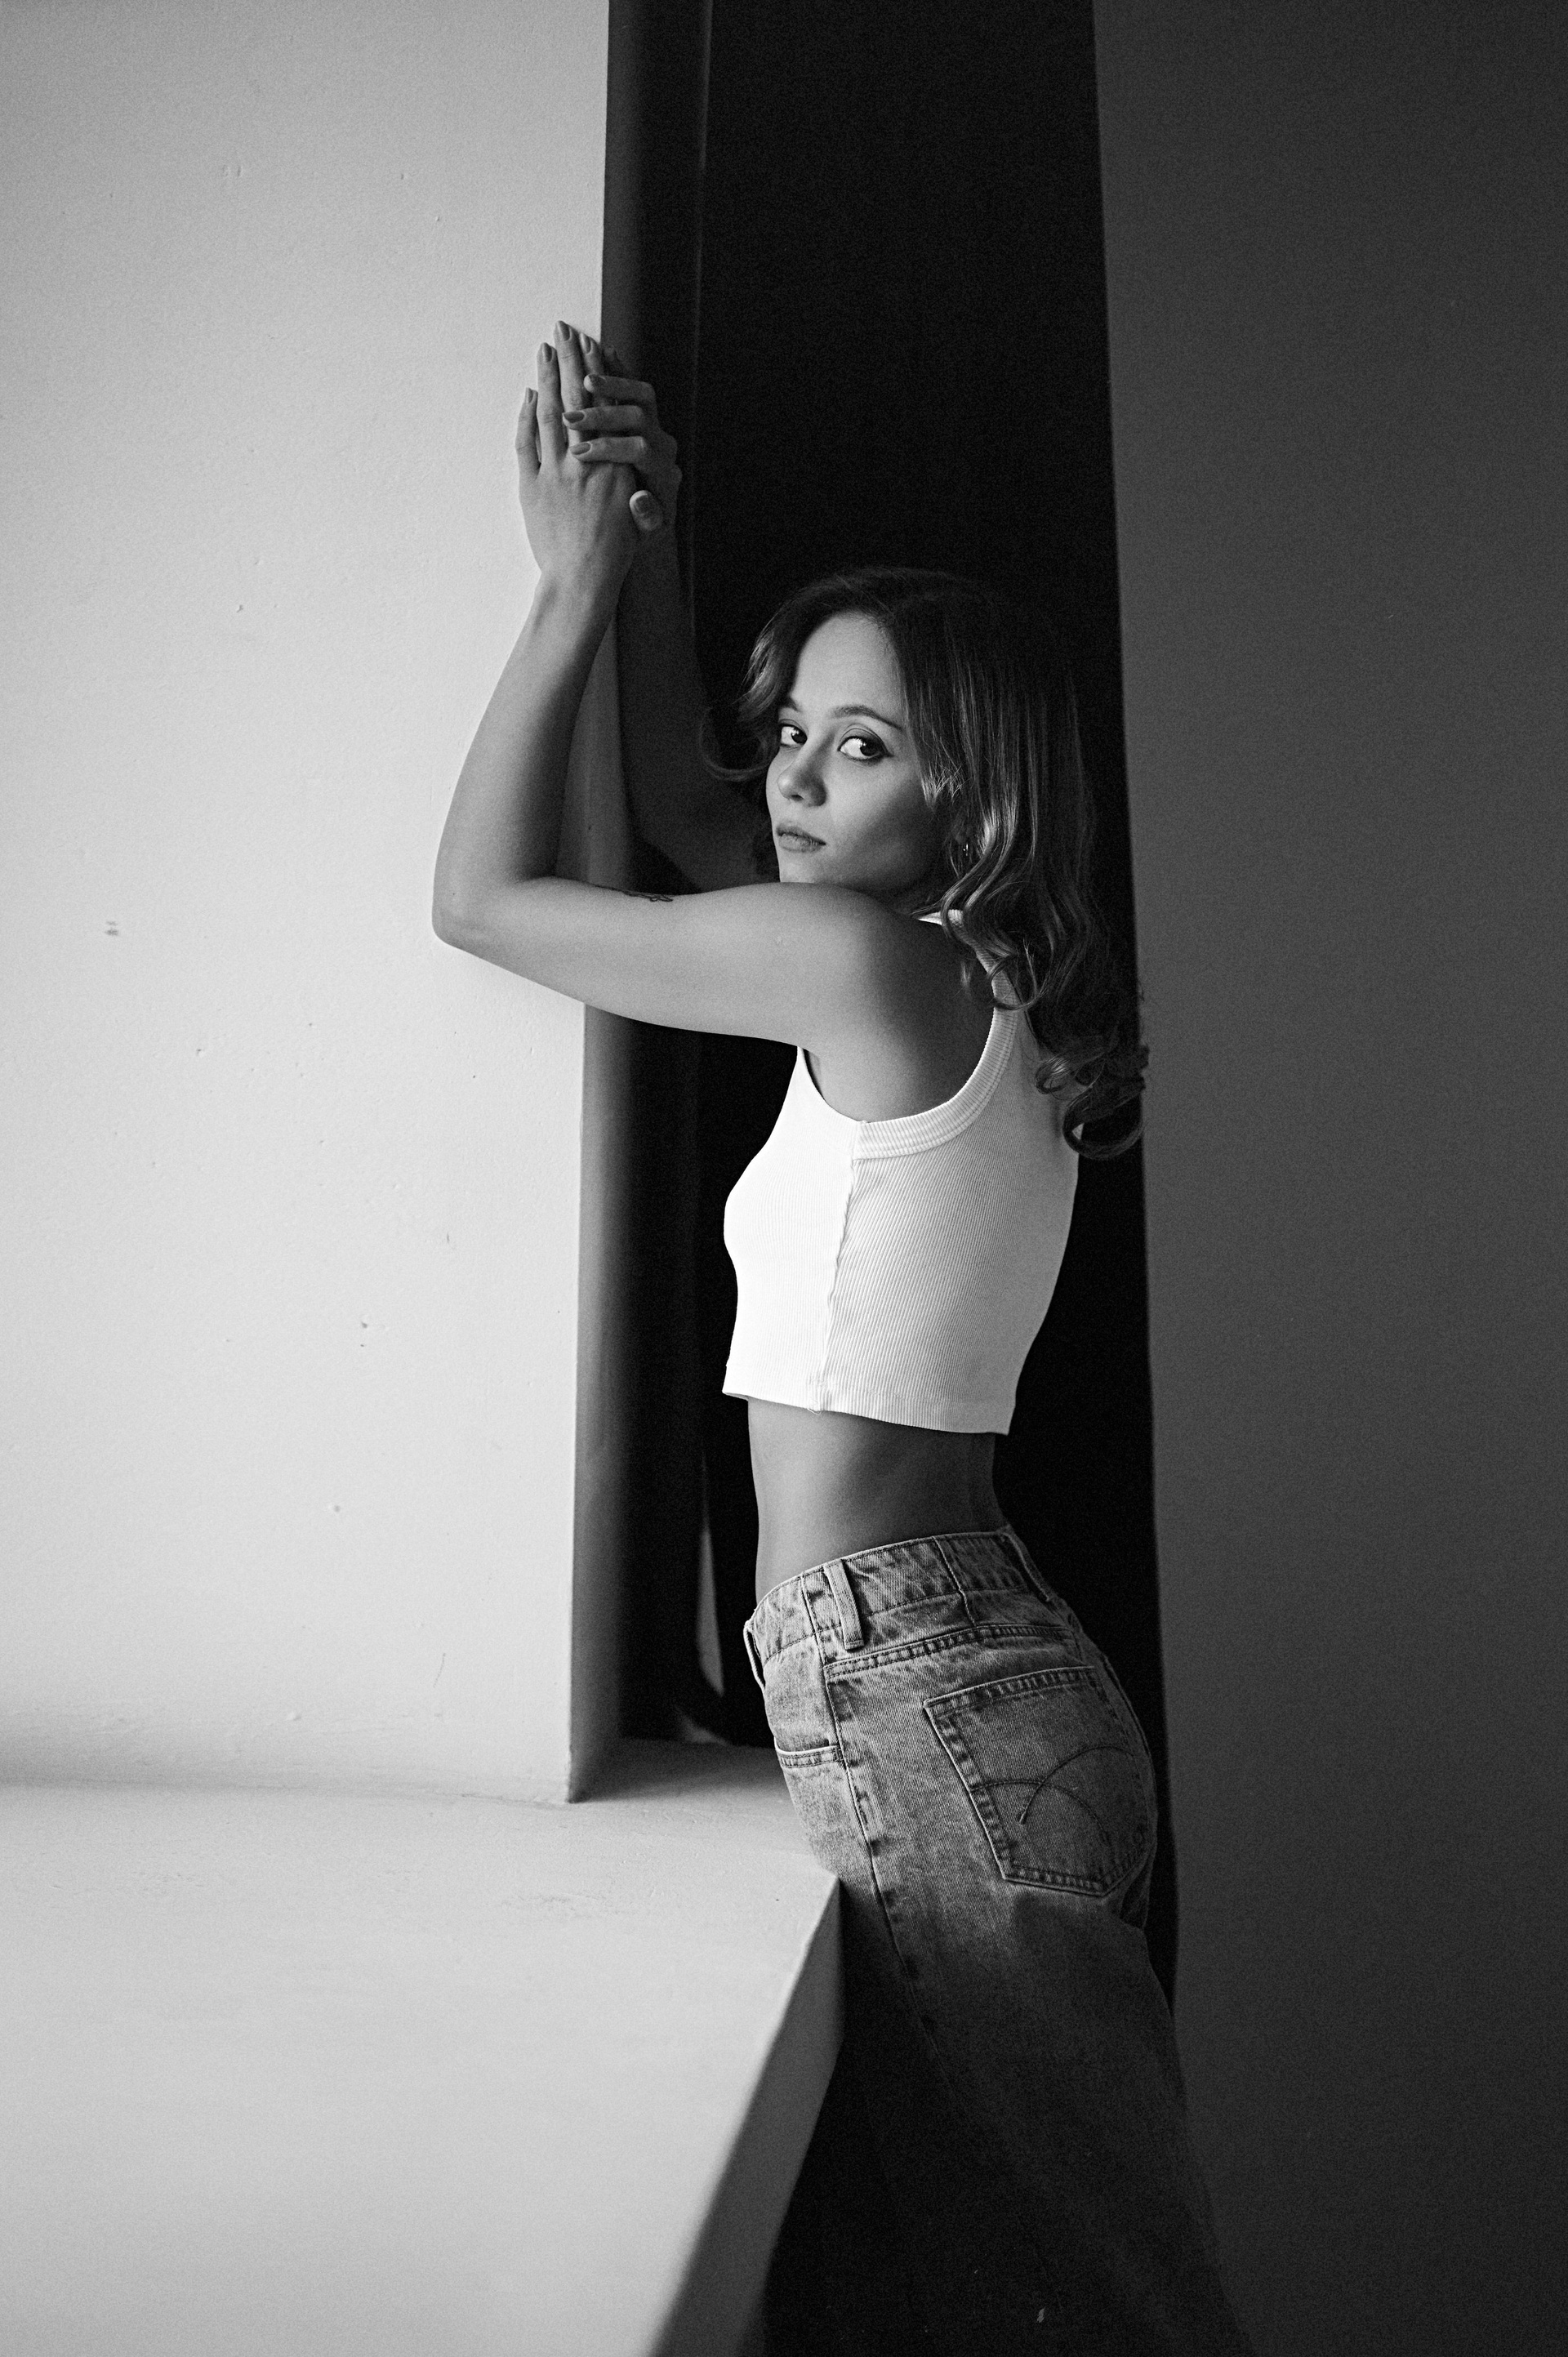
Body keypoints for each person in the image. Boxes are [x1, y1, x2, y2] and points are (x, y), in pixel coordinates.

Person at [434, 322, 1253, 2355]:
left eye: (859, 744)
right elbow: (701, 816)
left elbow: (487, 902)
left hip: (925, 1696)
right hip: (970, 1674)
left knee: (1104, 2318)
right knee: (1022, 2304)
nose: (795, 774)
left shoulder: (870, 970)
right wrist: (647, 541)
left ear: (971, 778)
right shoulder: (971, 968)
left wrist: (567, 590)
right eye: (792, 728)